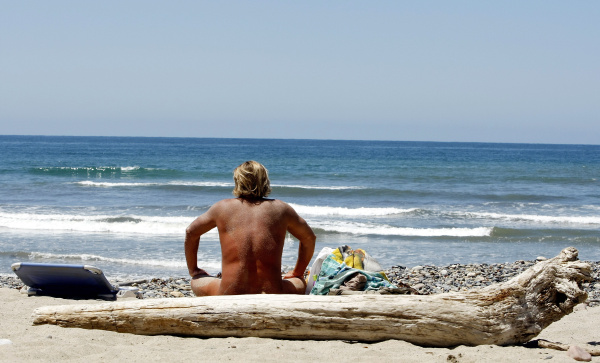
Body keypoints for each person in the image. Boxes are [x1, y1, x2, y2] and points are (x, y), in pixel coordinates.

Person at [185, 160, 316, 296]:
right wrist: (297, 272)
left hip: (227, 293)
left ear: (238, 181)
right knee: (300, 281)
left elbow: (191, 232)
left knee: (196, 280)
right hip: (273, 294)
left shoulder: (222, 207)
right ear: (265, 180)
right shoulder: (281, 208)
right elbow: (309, 238)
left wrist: (193, 269)